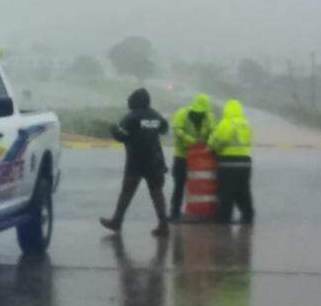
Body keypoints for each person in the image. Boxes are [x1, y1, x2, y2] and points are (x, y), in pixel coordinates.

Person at [100, 88, 170, 237]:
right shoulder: (155, 115)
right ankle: (164, 225)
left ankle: (116, 222)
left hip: (136, 162)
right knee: (157, 193)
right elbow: (164, 128)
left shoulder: (131, 117)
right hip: (155, 160)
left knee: (126, 192)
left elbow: (121, 136)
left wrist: (112, 128)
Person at [169, 93, 216, 221]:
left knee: (201, 185)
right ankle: (174, 213)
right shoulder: (182, 114)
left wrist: (209, 144)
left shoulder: (209, 117)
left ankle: (202, 211)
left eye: (202, 113)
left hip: (200, 159)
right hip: (182, 156)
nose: (200, 115)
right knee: (179, 184)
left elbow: (213, 132)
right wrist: (191, 141)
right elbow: (177, 130)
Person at [208, 99, 254, 224]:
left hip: (228, 163)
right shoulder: (246, 124)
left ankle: (223, 218)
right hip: (245, 162)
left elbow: (216, 142)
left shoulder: (226, 123)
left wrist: (212, 146)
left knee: (226, 191)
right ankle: (248, 216)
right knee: (243, 191)